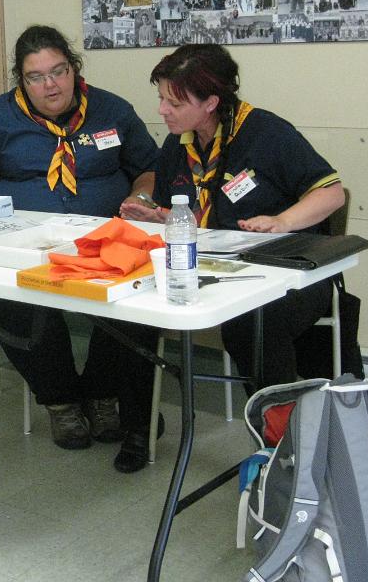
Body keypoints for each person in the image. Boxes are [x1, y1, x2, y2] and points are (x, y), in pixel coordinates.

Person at [0, 25, 162, 473]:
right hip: (27, 243)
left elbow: (152, 167)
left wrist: (139, 198)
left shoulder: (112, 110)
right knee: (8, 298)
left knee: (137, 299)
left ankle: (101, 394)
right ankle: (60, 400)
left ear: (74, 69)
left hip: (104, 242)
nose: (50, 85)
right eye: (36, 77)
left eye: (58, 71)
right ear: (20, 80)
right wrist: (2, 215)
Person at [122, 44, 345, 391]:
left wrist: (282, 221)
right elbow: (177, 211)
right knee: (130, 310)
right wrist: (156, 216)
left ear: (211, 103)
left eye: (175, 103)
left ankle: (277, 421)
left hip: (284, 274)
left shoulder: (267, 133)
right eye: (162, 98)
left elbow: (331, 193)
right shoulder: (177, 145)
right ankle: (133, 422)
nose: (162, 110)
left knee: (253, 322)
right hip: (209, 268)